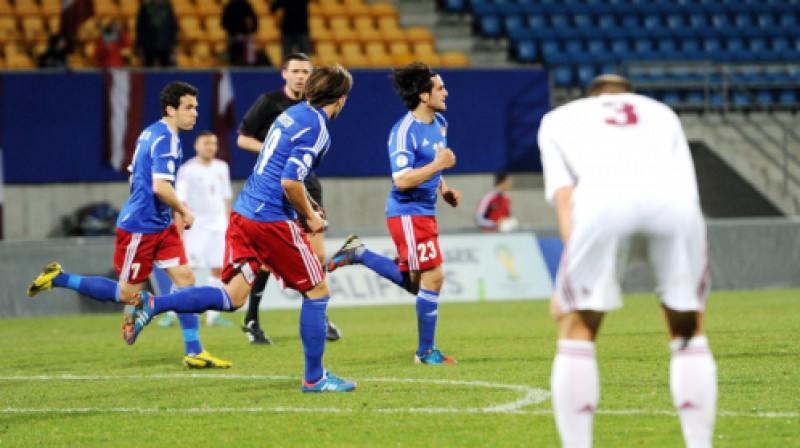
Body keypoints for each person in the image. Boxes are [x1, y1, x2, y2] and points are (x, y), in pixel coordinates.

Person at [121, 65, 357, 393]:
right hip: (270, 221)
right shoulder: (318, 129)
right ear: (341, 99)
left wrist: (305, 205)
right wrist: (310, 217)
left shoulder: (291, 114)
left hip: (244, 214)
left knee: (231, 296)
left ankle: (154, 304)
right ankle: (314, 378)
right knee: (317, 291)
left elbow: (280, 171)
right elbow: (289, 180)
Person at [537, 74, 716, 448]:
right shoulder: (661, 113)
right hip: (674, 205)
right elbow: (687, 183)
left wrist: (568, 271)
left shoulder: (560, 118)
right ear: (629, 97)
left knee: (578, 331)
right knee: (688, 329)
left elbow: (566, 198)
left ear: (593, 97)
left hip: (602, 202)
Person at [27, 82, 231, 369]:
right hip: (141, 228)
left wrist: (158, 209)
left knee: (185, 280)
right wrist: (183, 210)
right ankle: (58, 277)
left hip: (158, 224)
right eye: (189, 107)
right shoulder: (166, 140)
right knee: (126, 294)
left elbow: (134, 178)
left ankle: (194, 350)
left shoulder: (150, 132)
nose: (195, 113)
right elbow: (160, 186)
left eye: (196, 107)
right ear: (171, 110)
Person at [326, 62, 461, 365]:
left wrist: (444, 189)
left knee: (418, 284)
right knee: (434, 277)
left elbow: (430, 164)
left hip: (425, 211)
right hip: (407, 212)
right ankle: (425, 352)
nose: (446, 92)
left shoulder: (440, 123)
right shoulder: (403, 132)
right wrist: (439, 167)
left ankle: (358, 254)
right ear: (424, 96)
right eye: (440, 88)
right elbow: (401, 179)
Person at [237, 52, 341, 345]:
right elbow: (242, 138)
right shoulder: (271, 103)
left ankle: (318, 312)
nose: (300, 76)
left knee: (317, 255)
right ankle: (252, 318)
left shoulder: (313, 107)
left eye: (305, 71)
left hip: (307, 187)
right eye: (295, 71)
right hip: (278, 189)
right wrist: (274, 153)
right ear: (284, 74)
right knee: (270, 261)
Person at [158, 131, 234, 328]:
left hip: (219, 226)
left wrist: (228, 225)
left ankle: (213, 315)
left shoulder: (222, 167)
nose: (210, 147)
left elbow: (226, 197)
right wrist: (179, 231)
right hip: (196, 227)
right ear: (197, 146)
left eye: (214, 143)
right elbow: (179, 201)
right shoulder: (187, 170)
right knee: (185, 270)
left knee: (218, 269)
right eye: (206, 143)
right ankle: (173, 313)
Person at [135, 0, 178, 67]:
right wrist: (139, 44)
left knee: (165, 68)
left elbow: (172, 25)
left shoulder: (167, 7)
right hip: (149, 44)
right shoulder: (145, 7)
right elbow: (140, 27)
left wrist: (174, 43)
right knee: (148, 66)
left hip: (165, 44)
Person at [221, 0, 258, 66]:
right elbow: (224, 22)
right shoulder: (230, 6)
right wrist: (235, 33)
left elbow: (254, 18)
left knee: (247, 58)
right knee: (234, 57)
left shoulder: (245, 4)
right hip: (233, 36)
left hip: (244, 36)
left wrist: (251, 31)